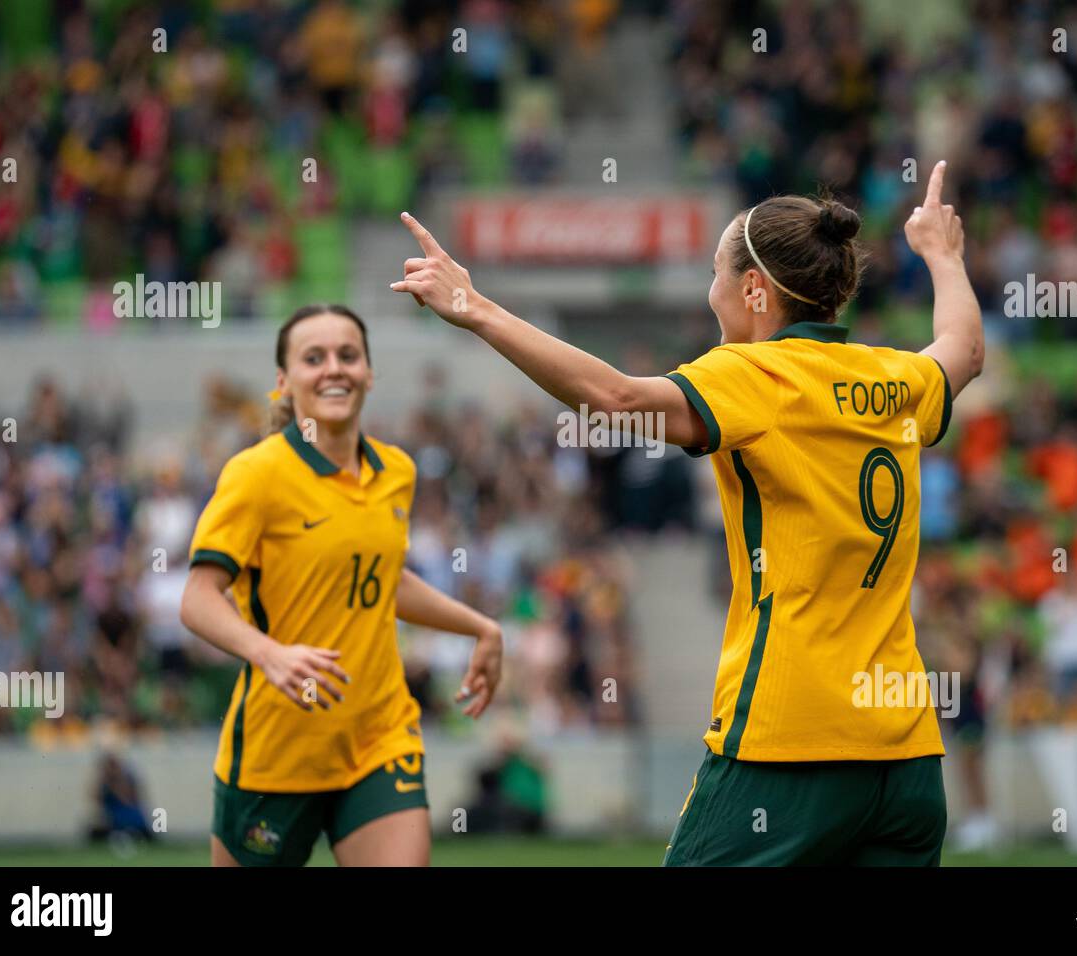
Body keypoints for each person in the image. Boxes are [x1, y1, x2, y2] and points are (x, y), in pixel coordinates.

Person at [391, 160, 983, 866]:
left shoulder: (757, 375)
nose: (711, 294)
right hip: (906, 756)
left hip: (789, 741)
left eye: (715, 275)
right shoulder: (896, 376)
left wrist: (476, 308)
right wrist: (943, 256)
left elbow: (614, 400)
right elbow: (965, 351)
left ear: (755, 289)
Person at [179, 304, 503, 867]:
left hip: (378, 736)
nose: (334, 368)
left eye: (348, 355)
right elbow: (198, 597)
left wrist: (479, 626)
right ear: (284, 382)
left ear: (369, 373)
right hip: (276, 750)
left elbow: (379, 578)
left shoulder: (397, 470)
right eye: (314, 358)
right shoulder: (256, 475)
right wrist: (269, 654)